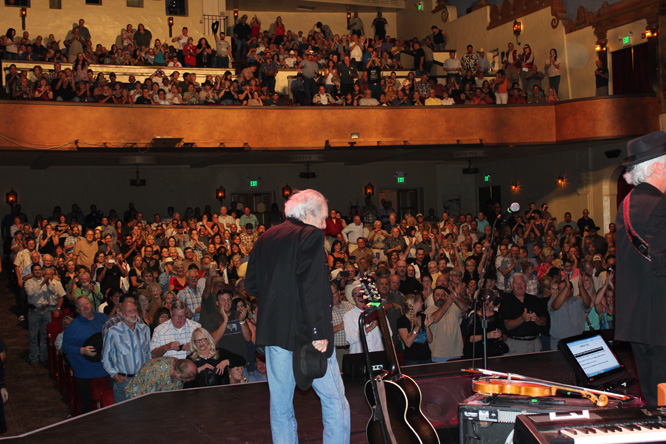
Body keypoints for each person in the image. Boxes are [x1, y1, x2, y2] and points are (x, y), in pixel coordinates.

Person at [246, 189, 350, 444]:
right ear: (308, 214)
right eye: (323, 218)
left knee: (280, 405)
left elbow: (251, 285)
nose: (325, 226)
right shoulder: (310, 235)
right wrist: (318, 331)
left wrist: (279, 301)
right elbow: (312, 286)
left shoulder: (266, 237)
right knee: (334, 400)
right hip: (307, 333)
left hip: (275, 333)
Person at [615, 131, 666, 406]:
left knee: (654, 401)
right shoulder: (659, 205)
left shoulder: (628, 203)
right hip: (660, 323)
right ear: (658, 166)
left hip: (638, 322)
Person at [62, 296, 109, 413]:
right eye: (81, 306)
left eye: (87, 303)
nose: (85, 307)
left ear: (91, 304)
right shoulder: (73, 326)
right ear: (78, 309)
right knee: (88, 407)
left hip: (107, 368)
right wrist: (81, 350)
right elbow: (65, 347)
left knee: (108, 402)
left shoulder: (103, 318)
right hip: (85, 372)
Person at [102, 300, 151, 403]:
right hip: (124, 381)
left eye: (134, 310)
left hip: (142, 380)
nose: (133, 313)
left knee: (144, 410)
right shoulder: (113, 332)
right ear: (121, 314)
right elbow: (105, 358)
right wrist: (115, 375)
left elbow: (148, 354)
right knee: (123, 412)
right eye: (129, 311)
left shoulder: (145, 329)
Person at [124, 357, 196, 398]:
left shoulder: (179, 366)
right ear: (177, 372)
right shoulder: (154, 372)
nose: (184, 381)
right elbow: (147, 397)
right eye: (183, 379)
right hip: (139, 396)